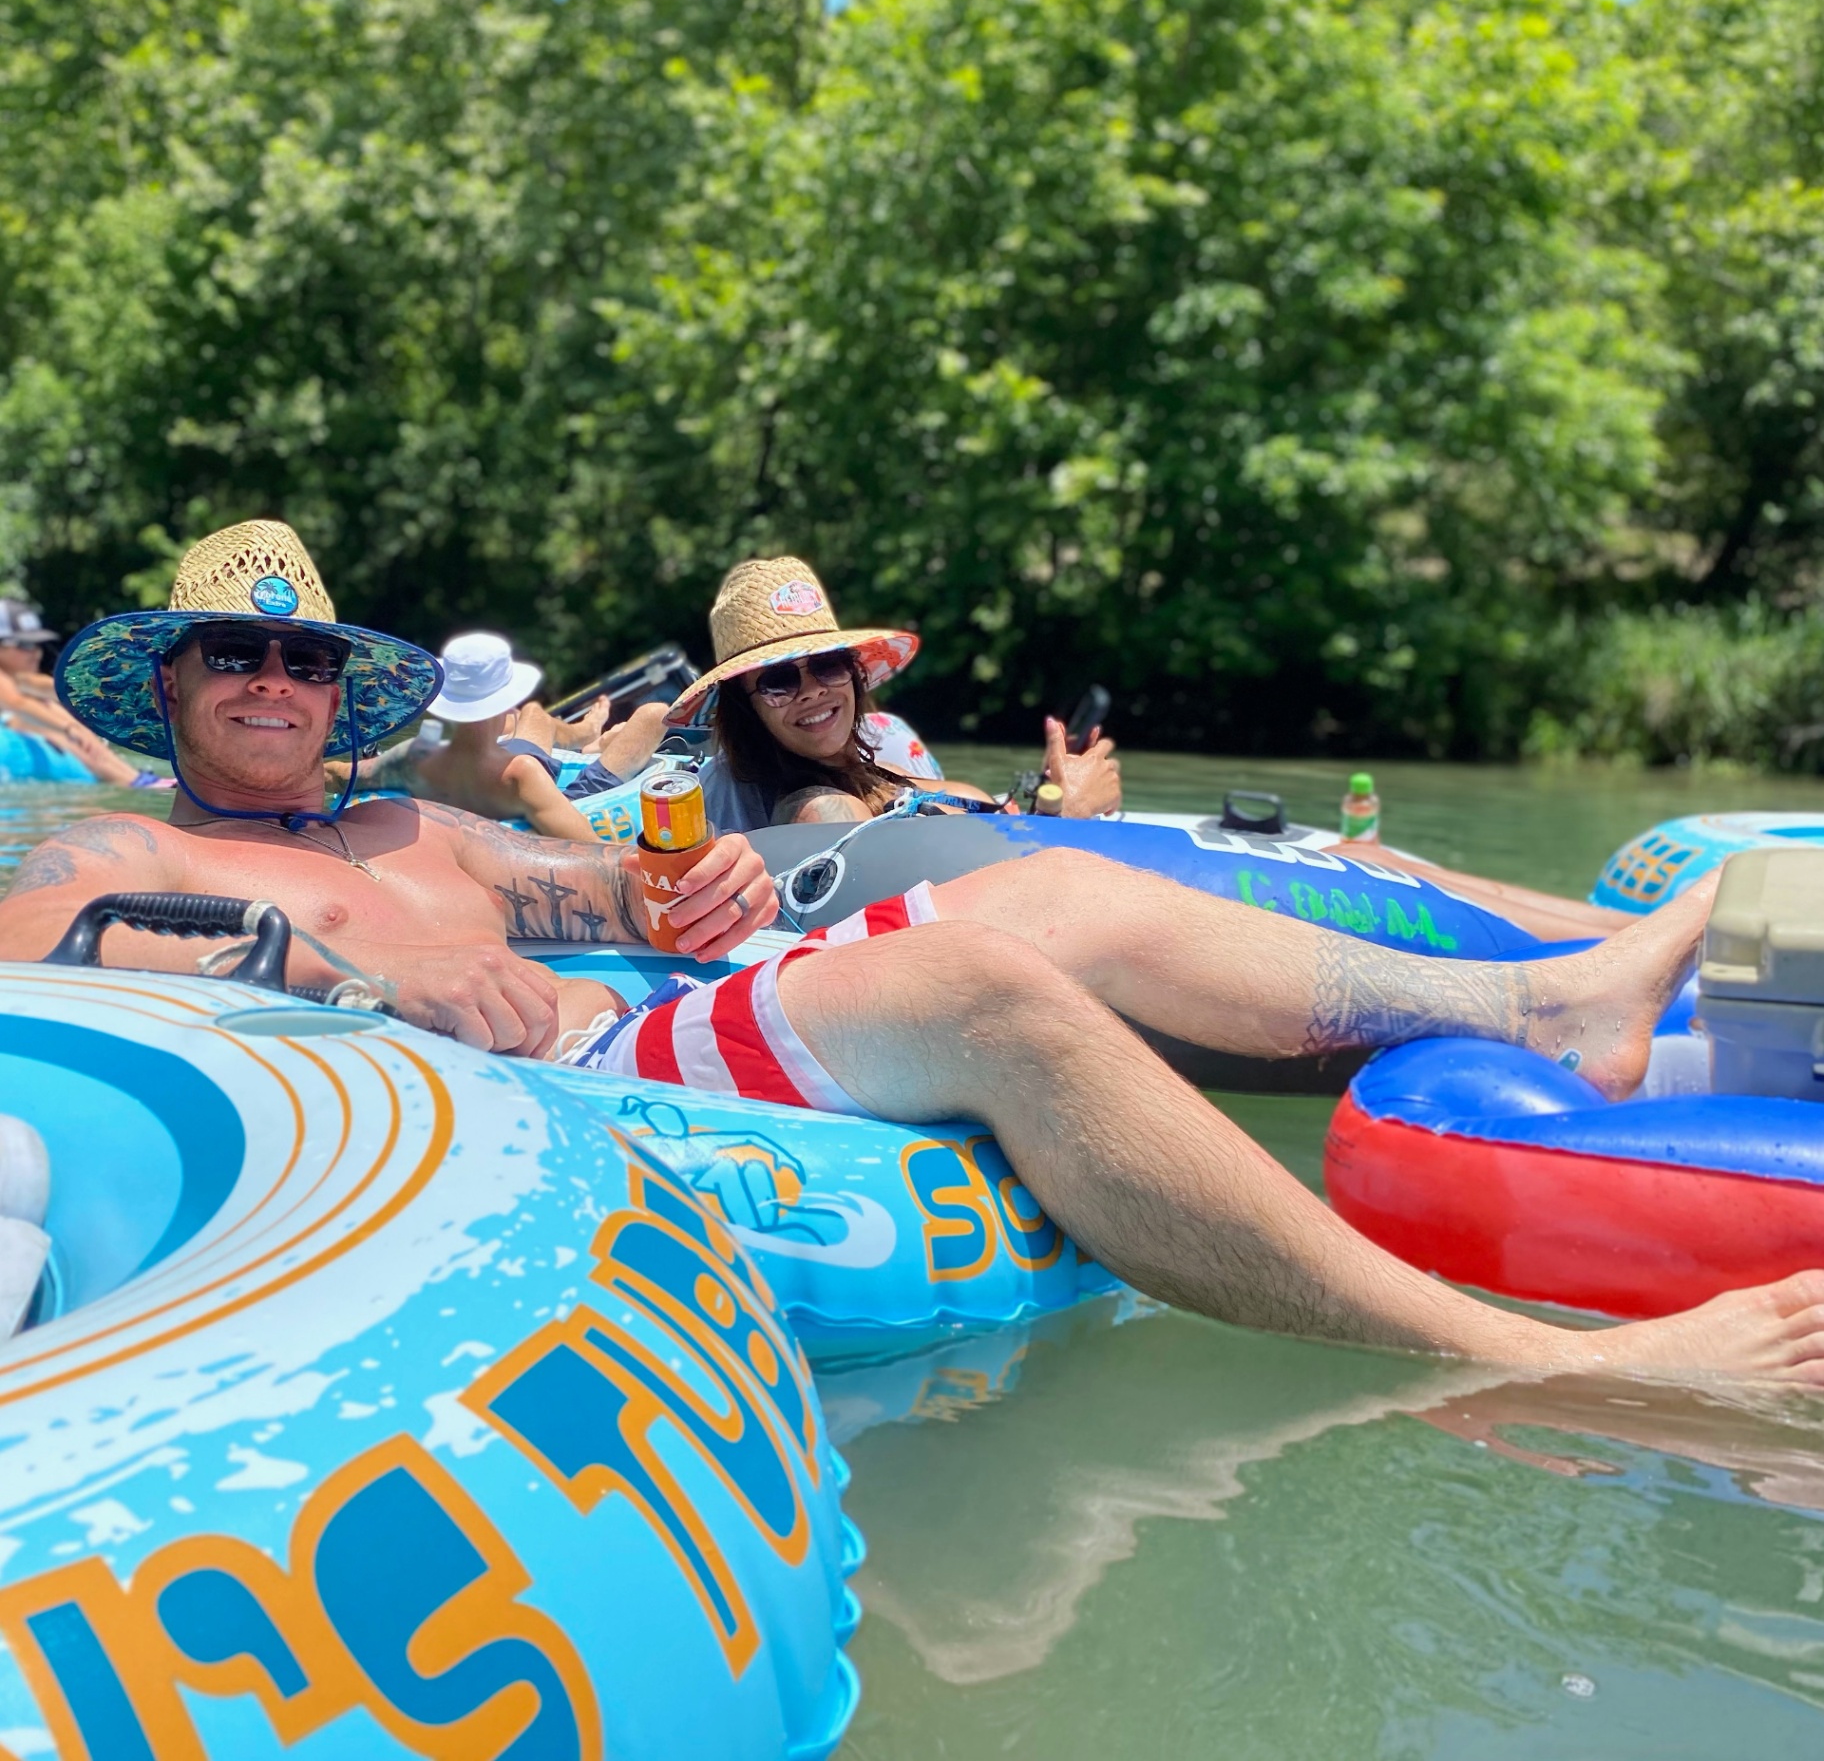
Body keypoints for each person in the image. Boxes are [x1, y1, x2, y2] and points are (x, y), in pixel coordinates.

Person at [8, 522, 1824, 1383]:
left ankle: (1548, 996)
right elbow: (51, 956)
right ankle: (1532, 1356)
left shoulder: (420, 825)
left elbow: (615, 894)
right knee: (980, 983)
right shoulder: (117, 843)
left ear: (347, 691)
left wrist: (679, 897)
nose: (275, 682)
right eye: (232, 656)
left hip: (641, 1031)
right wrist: (351, 981)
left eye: (308, 660)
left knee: (1045, 893)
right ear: (161, 682)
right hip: (509, 1102)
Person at [668, 557, 1122, 829]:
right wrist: (1068, 817)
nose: (811, 691)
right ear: (745, 708)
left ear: (853, 673)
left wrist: (1047, 800)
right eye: (778, 681)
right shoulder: (821, 811)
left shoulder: (870, 773)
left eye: (827, 665)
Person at [336, 630, 669, 840]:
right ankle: (591, 738)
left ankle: (590, 736)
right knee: (656, 715)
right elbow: (596, 852)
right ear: (507, 701)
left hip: (496, 771)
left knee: (535, 716)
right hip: (568, 799)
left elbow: (342, 775)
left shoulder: (412, 760)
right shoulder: (521, 774)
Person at [0, 598, 164, 787]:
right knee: (38, 723)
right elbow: (17, 703)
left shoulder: (19, 678)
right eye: (25, 645)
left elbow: (51, 688)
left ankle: (131, 776)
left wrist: (97, 695)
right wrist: (69, 729)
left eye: (38, 645)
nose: (36, 653)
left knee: (47, 707)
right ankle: (129, 779)